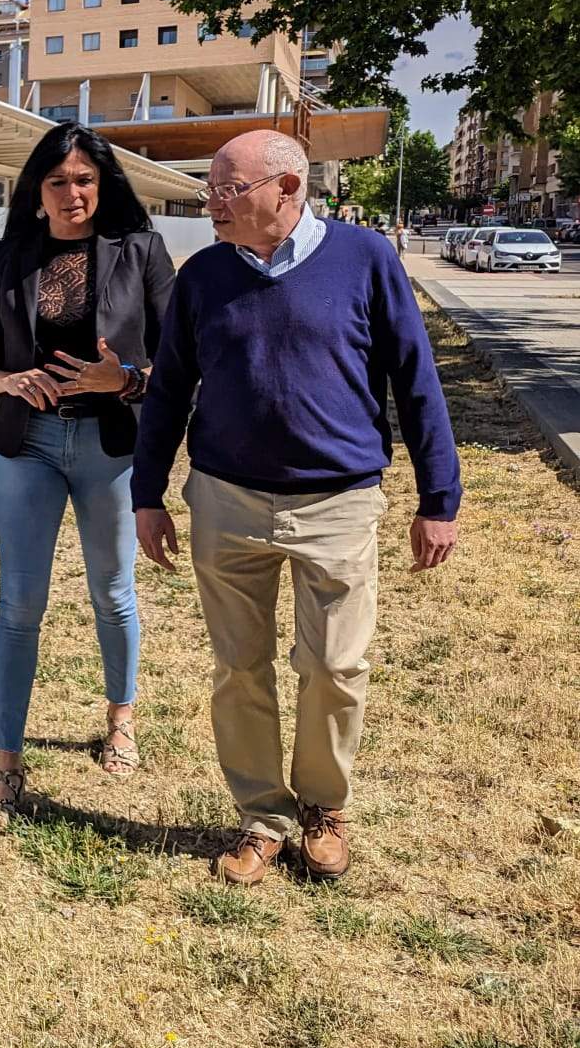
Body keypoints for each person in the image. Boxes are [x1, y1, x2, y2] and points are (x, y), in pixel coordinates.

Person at [133, 129, 461, 886]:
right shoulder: (203, 275)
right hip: (227, 499)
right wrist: (146, 494)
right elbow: (171, 389)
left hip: (338, 502)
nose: (210, 202)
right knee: (238, 669)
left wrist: (438, 497)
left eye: (227, 188)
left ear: (287, 190)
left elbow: (415, 381)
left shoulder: (366, 258)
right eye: (209, 188)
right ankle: (263, 815)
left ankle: (323, 805)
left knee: (337, 665)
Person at [0, 122, 175, 828]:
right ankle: (6, 764)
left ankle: (120, 717)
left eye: (85, 179)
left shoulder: (141, 251)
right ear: (38, 190)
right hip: (27, 445)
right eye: (58, 181)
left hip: (112, 445)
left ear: (103, 185)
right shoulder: (12, 257)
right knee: (19, 602)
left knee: (112, 590)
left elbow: (178, 363)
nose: (72, 192)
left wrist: (128, 377)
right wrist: (11, 382)